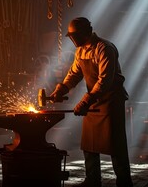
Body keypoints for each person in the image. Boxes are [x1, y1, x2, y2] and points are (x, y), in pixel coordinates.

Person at [49, 17, 133, 187]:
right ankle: (92, 180)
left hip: (111, 101)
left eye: (74, 36)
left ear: (85, 32)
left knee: (115, 145)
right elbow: (74, 74)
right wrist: (62, 88)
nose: (72, 40)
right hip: (94, 100)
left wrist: (85, 101)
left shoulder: (104, 48)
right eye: (71, 37)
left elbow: (104, 80)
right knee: (89, 143)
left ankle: (124, 182)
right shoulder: (80, 51)